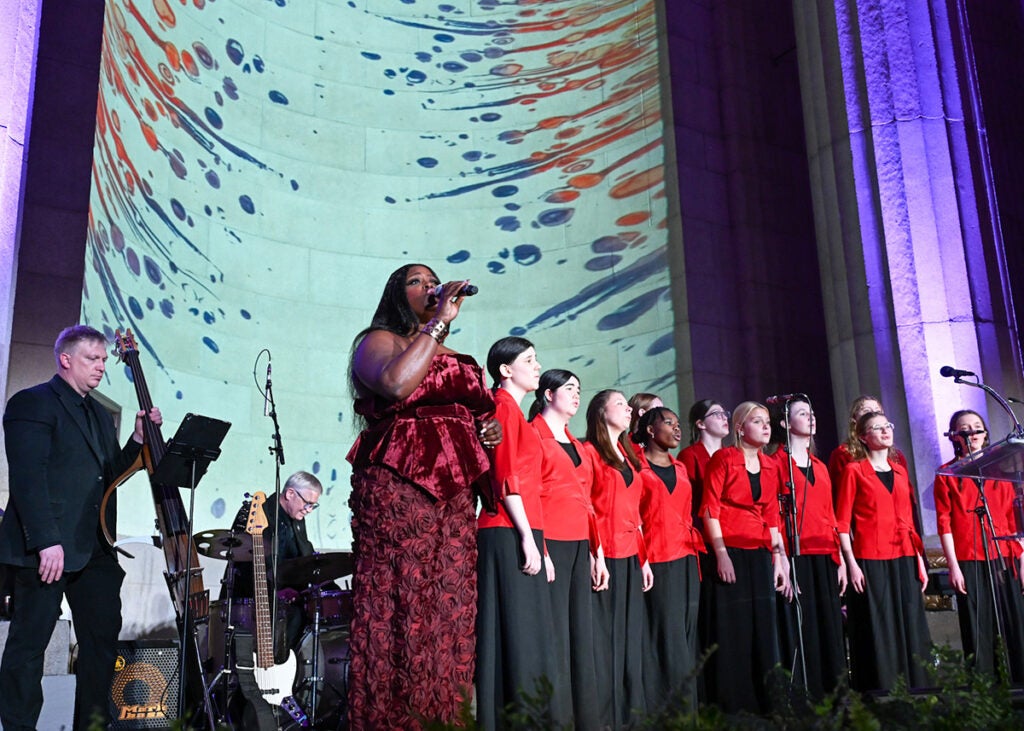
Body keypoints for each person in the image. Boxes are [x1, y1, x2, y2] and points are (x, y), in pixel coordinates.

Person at [347, 264, 501, 729]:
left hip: (454, 494)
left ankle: (445, 718)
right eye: (416, 281)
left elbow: (473, 408)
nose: (429, 286)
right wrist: (437, 325)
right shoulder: (378, 341)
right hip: (401, 484)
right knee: (403, 602)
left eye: (433, 279)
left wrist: (484, 429)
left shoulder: (452, 351)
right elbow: (396, 384)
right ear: (397, 293)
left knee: (448, 610)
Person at [0, 325, 162, 731]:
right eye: (93, 358)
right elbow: (27, 477)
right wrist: (46, 540)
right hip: (47, 546)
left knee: (102, 642)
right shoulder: (32, 403)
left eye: (105, 360)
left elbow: (109, 477)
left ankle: (91, 725)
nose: (102, 367)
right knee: (29, 644)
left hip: (93, 545)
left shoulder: (99, 414)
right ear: (66, 359)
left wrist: (136, 441)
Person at [476, 336, 566, 729]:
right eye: (529, 360)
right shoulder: (502, 406)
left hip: (525, 528)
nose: (536, 365)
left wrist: (540, 544)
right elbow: (506, 476)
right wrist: (528, 538)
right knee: (517, 634)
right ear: (505, 370)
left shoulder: (513, 410)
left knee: (530, 634)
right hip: (506, 528)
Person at [699, 401, 791, 715]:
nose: (766, 426)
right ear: (740, 428)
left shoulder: (772, 465)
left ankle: (770, 703)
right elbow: (711, 508)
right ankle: (734, 705)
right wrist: (721, 553)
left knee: (763, 627)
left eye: (767, 421)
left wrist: (780, 560)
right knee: (734, 627)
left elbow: (772, 516)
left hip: (760, 552)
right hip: (731, 548)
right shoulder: (724, 458)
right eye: (757, 421)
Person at [529, 369, 606, 730]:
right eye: (569, 388)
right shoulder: (534, 435)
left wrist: (597, 551)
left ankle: (585, 717)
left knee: (581, 634)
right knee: (556, 633)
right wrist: (541, 550)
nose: (576, 395)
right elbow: (531, 497)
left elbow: (588, 501)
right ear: (547, 394)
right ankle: (556, 717)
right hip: (552, 543)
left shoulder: (579, 446)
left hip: (579, 544)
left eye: (579, 389)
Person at [837, 411, 931, 692]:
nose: (884, 431)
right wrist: (851, 563)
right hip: (870, 556)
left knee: (911, 622)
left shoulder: (901, 471)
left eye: (887, 425)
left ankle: (919, 689)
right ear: (863, 437)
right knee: (881, 625)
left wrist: (920, 561)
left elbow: (909, 519)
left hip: (904, 553)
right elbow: (841, 523)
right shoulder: (854, 471)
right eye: (875, 428)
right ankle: (885, 689)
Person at [934, 410, 1024, 680]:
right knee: (978, 624)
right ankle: (984, 686)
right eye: (965, 429)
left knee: (1014, 622)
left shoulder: (1001, 469)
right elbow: (944, 524)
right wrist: (953, 566)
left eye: (977, 428)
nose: (972, 433)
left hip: (1004, 554)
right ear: (955, 436)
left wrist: (1022, 559)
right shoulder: (947, 473)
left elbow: (1014, 517)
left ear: (985, 434)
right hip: (969, 556)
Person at [768, 397, 847, 698]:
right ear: (786, 424)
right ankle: (806, 696)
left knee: (829, 626)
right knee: (803, 628)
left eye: (812, 412)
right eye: (803, 413)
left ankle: (835, 694)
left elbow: (830, 514)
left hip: (824, 554)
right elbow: (773, 514)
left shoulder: (821, 466)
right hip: (795, 555)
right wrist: (781, 559)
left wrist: (838, 558)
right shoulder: (775, 464)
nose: (811, 417)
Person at [584, 390, 652, 729]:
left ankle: (630, 715)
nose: (628, 410)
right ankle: (605, 717)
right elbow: (588, 508)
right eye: (621, 404)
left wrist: (643, 558)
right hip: (605, 554)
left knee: (629, 637)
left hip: (629, 553)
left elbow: (635, 512)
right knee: (605, 639)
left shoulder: (628, 456)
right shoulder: (590, 452)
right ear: (601, 412)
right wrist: (596, 555)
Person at [635, 407, 703, 712]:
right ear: (650, 430)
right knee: (666, 635)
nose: (677, 429)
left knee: (687, 635)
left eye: (678, 424)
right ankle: (668, 709)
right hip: (657, 557)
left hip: (687, 556)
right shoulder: (636, 467)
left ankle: (690, 710)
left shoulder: (680, 468)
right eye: (668, 423)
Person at [222, 471, 324, 654]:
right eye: (307, 504)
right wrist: (277, 591)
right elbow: (245, 565)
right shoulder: (258, 512)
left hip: (285, 598)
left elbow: (300, 560)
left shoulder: (297, 519)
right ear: (290, 493)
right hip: (253, 599)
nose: (308, 510)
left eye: (313, 506)